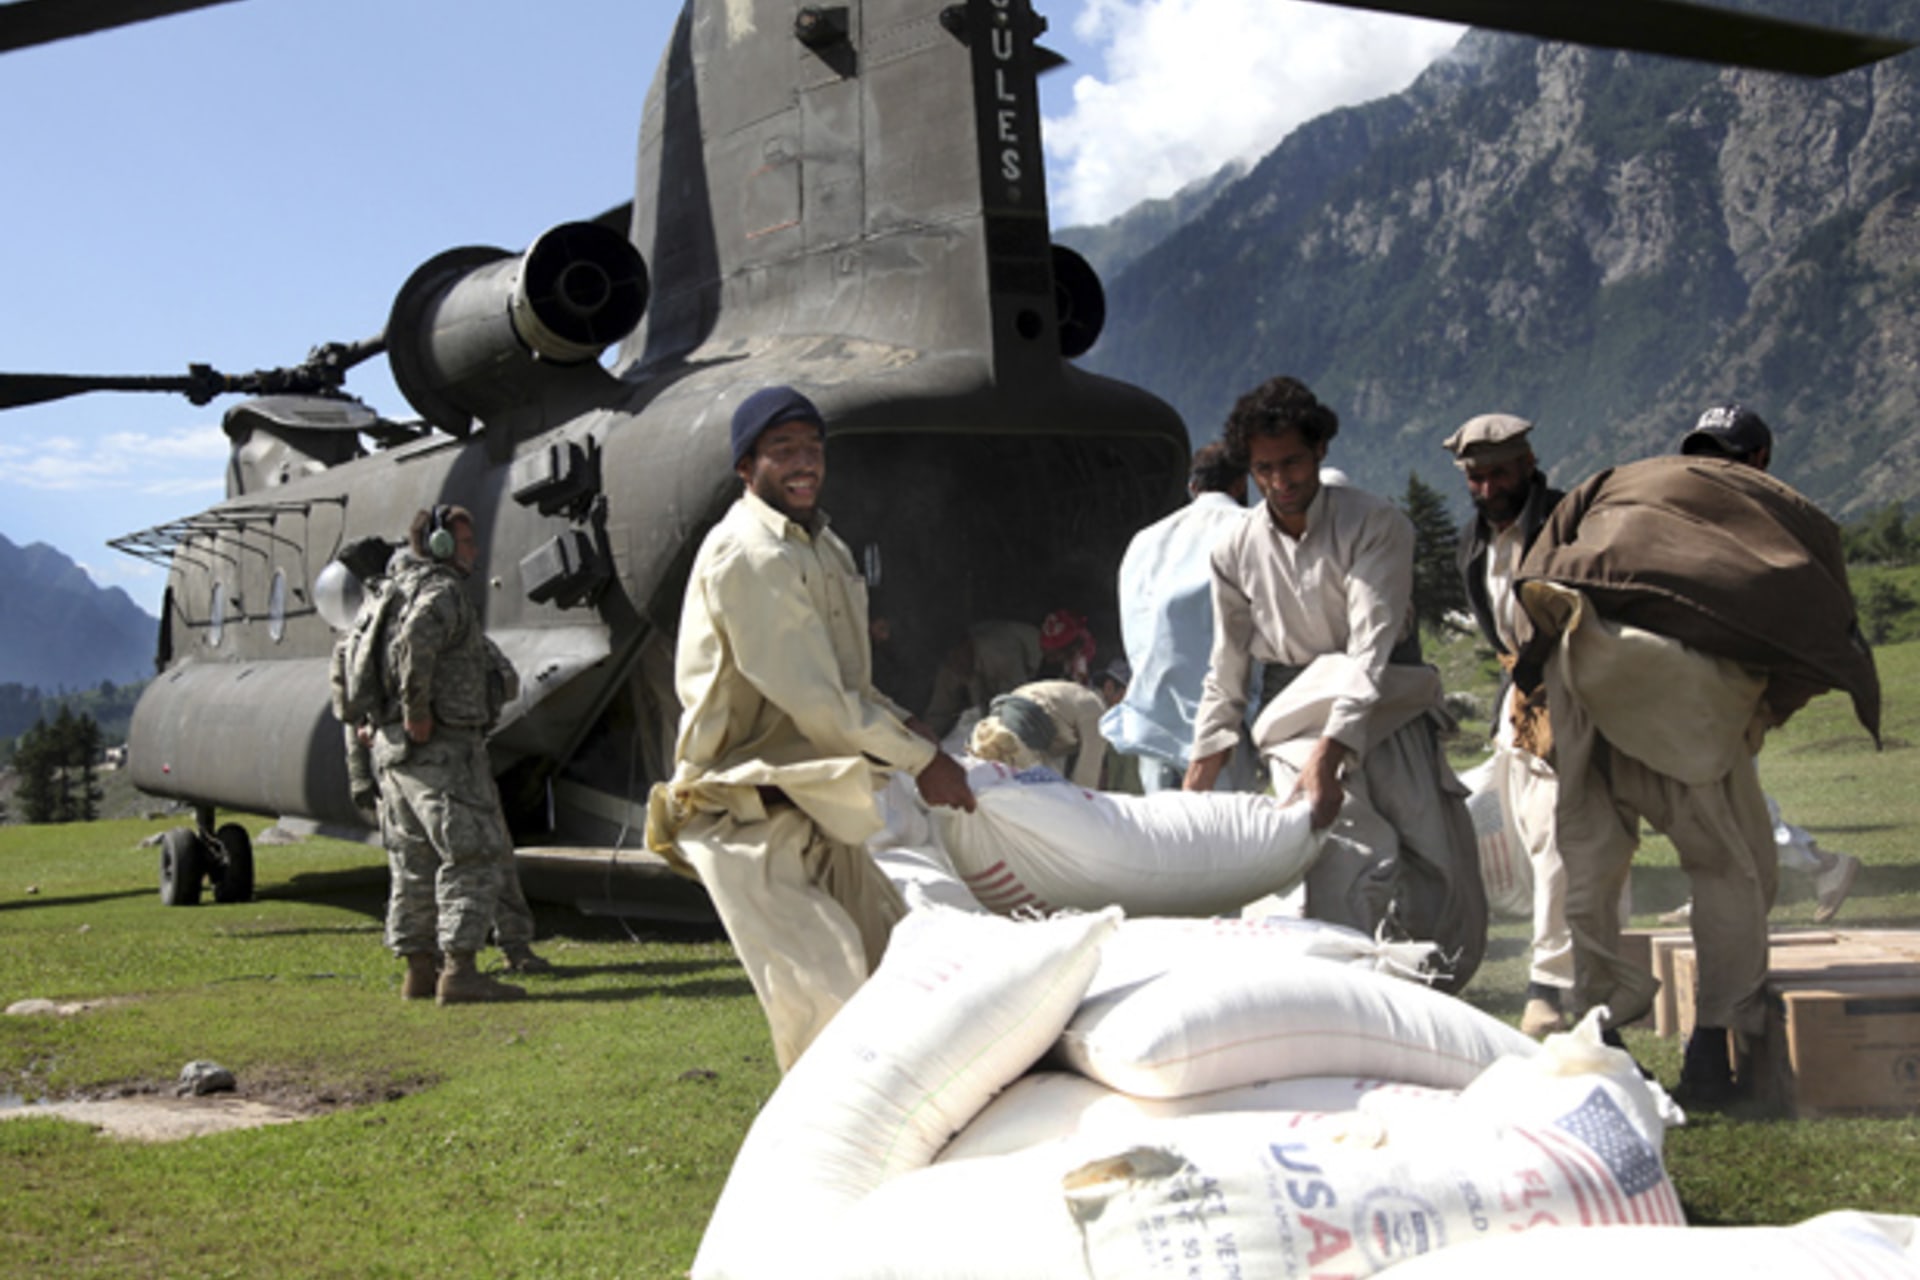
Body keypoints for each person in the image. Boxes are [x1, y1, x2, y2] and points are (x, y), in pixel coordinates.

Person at [1512, 448, 1880, 1106]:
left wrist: (1532, 676)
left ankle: (1606, 1040)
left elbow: (1538, 577)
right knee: (1730, 868)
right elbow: (1822, 627)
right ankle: (1708, 1049)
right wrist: (1762, 711)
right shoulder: (1784, 514)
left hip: (1590, 674)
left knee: (1590, 868)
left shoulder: (1618, 481)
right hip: (1684, 695)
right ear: (1762, 462)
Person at [644, 385, 976, 1070]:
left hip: (816, 802)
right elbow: (820, 704)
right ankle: (839, 1162)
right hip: (747, 817)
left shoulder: (824, 548)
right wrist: (921, 760)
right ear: (746, 467)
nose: (804, 462)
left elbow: (851, 684)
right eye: (782, 449)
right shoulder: (750, 556)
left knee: (901, 974)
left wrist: (905, 722)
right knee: (827, 1008)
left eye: (813, 447)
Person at [1184, 376, 1487, 991]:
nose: (1282, 481)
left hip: (1388, 703)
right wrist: (1206, 756)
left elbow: (1371, 647)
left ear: (1320, 450)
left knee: (1437, 869)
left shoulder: (1375, 524)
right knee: (1346, 857)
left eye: (1292, 461)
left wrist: (1336, 751)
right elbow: (1228, 662)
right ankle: (1349, 1000)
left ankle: (1431, 994)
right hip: (1295, 713)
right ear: (1249, 471)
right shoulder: (1234, 548)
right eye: (1265, 468)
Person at [1657, 404, 1861, 925]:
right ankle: (1805, 869)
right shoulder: (1699, 514)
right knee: (1712, 786)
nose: (1713, 466)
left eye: (1726, 455)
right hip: (1699, 670)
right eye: (1703, 454)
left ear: (1760, 458)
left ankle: (1818, 863)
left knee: (1721, 787)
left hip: (1737, 674)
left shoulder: (1776, 522)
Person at [369, 505, 530, 1005]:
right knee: (474, 853)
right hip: (442, 748)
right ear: (437, 545)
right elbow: (417, 642)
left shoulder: (393, 593)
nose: (474, 552)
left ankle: (419, 972)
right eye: (464, 542)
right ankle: (460, 970)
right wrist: (418, 710)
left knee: (414, 861)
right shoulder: (440, 593)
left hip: (397, 753)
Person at [1444, 414, 1571, 1037]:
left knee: (1556, 841)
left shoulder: (1564, 524)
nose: (1488, 488)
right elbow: (1502, 639)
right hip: (1515, 708)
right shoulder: (1473, 541)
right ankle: (1585, 970)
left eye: (1498, 473)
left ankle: (1549, 986)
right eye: (1476, 477)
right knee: (1524, 842)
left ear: (1526, 465)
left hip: (1571, 702)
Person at [1101, 441, 1259, 794]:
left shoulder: (1144, 541)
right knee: (1225, 835)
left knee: (1167, 835)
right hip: (1222, 722)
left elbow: (1134, 628)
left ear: (1192, 487)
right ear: (1240, 484)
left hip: (1154, 713)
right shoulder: (1252, 529)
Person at [969, 672, 1122, 788]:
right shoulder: (1096, 710)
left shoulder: (1074, 693)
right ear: (1109, 687)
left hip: (988, 732)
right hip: (1013, 740)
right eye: (1125, 695)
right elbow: (1087, 775)